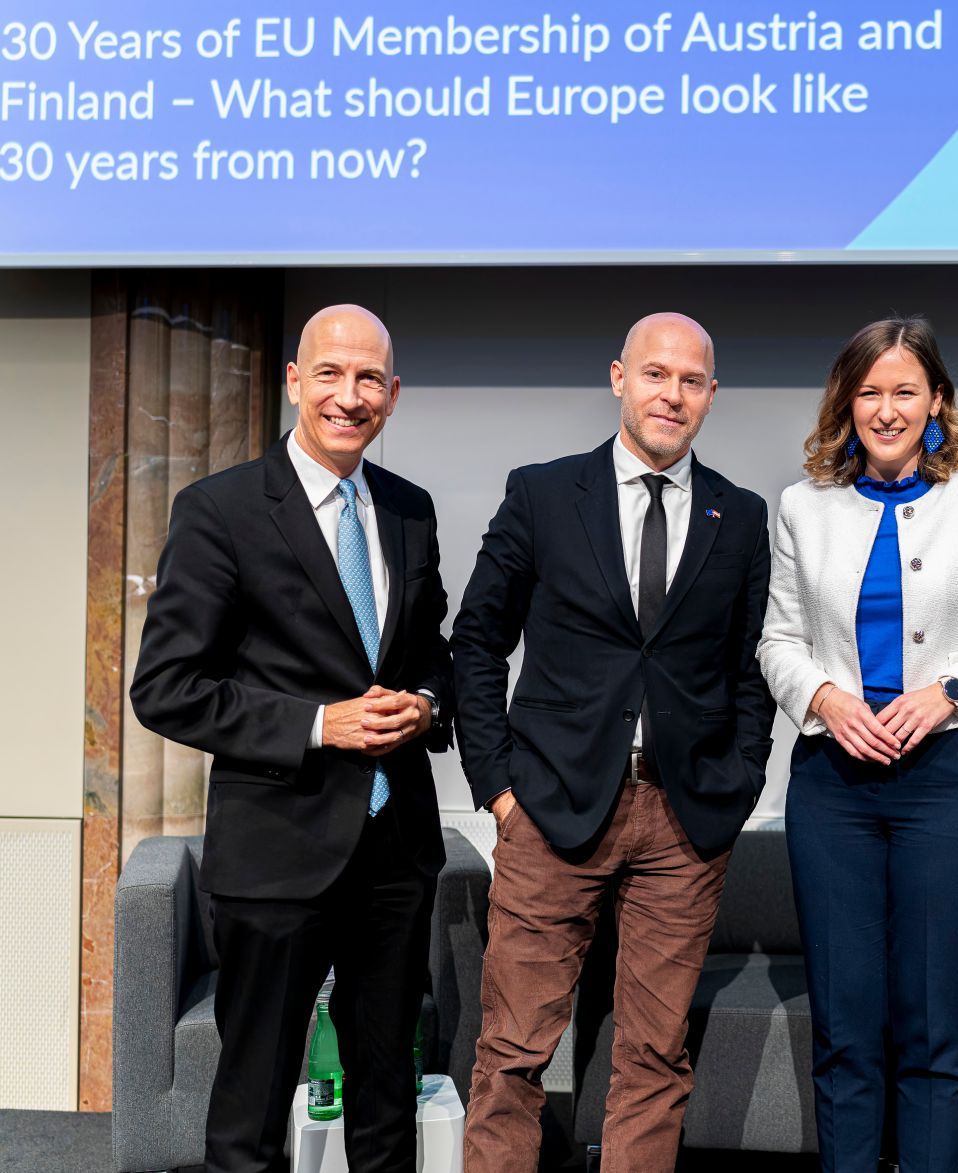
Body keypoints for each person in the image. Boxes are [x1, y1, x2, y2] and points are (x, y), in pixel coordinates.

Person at [130, 305, 453, 1173]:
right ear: (294, 382)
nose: (350, 397)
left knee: (389, 1113)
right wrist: (318, 724)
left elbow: (434, 656)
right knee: (251, 1122)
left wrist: (425, 703)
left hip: (394, 856)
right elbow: (164, 689)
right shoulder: (221, 511)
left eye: (369, 379)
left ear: (393, 392)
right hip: (275, 859)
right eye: (331, 375)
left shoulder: (411, 512)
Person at [453, 312, 773, 1173]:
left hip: (682, 821)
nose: (672, 393)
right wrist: (498, 788)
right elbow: (476, 641)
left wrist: (736, 786)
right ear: (619, 378)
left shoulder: (738, 516)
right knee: (514, 1052)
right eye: (656, 373)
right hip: (550, 813)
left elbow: (750, 669)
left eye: (692, 379)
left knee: (654, 1060)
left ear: (711, 395)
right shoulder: (545, 492)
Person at [758, 316, 958, 1172]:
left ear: (937, 400)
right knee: (847, 1024)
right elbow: (777, 641)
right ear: (845, 402)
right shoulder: (802, 505)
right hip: (835, 781)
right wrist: (821, 695)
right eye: (869, 392)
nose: (886, 409)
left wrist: (950, 693)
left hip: (950, 779)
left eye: (904, 391)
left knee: (933, 1025)